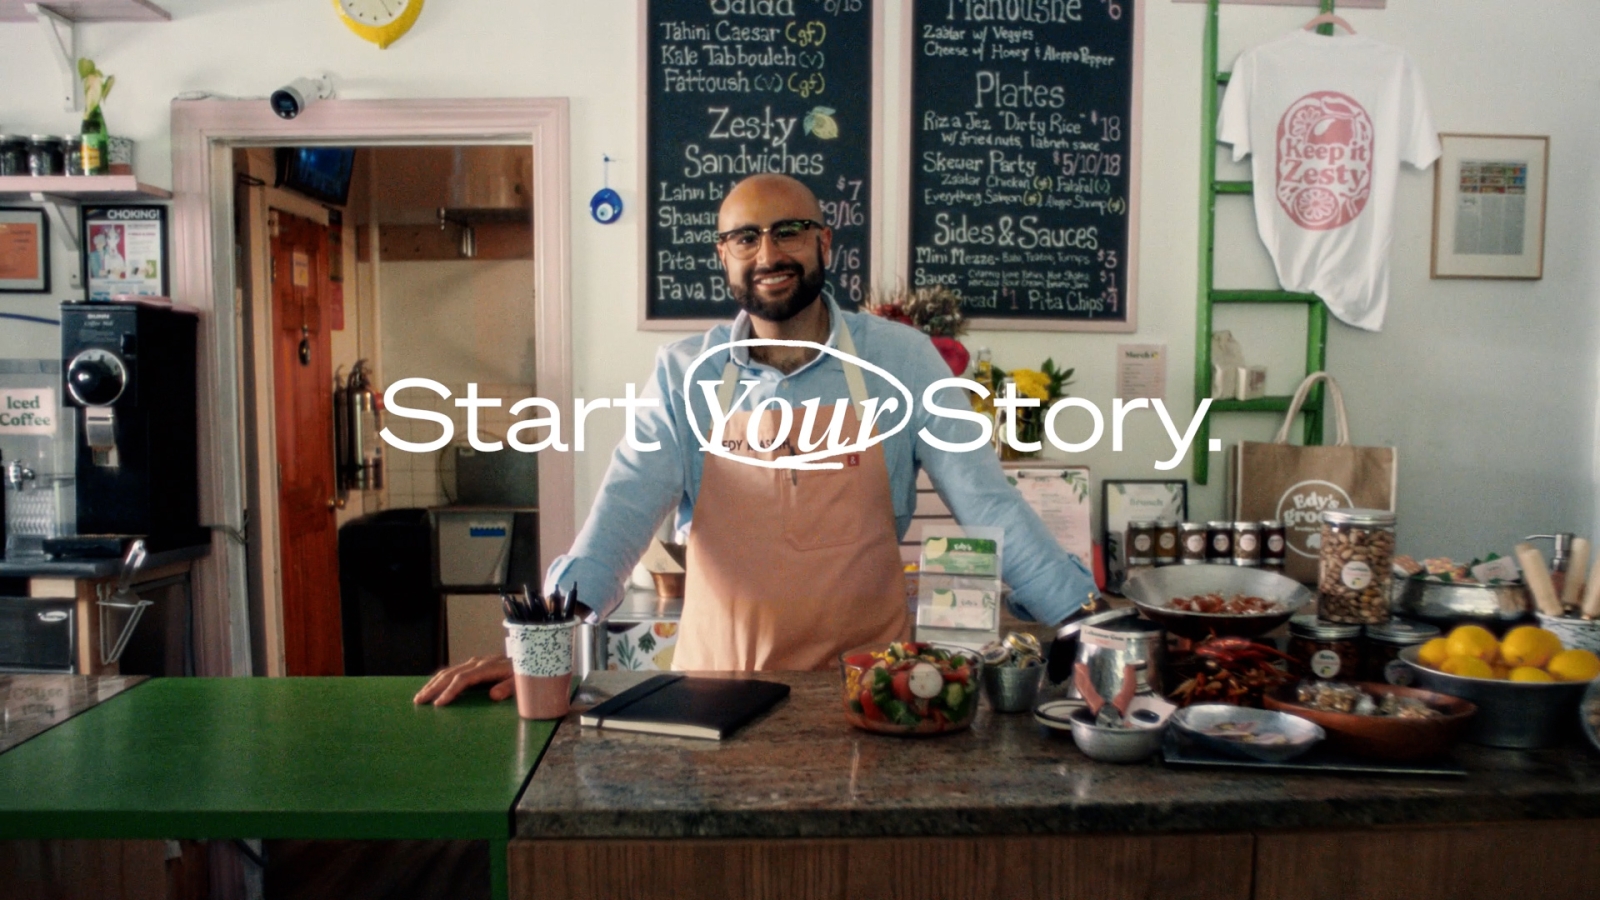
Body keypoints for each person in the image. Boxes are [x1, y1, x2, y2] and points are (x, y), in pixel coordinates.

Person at [415, 173, 1098, 706]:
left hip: (870, 687)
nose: (768, 253)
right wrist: (544, 641)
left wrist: (1084, 617)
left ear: (825, 243)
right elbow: (621, 514)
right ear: (724, 256)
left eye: (789, 232)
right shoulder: (686, 372)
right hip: (717, 689)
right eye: (745, 238)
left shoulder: (902, 359)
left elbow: (989, 503)